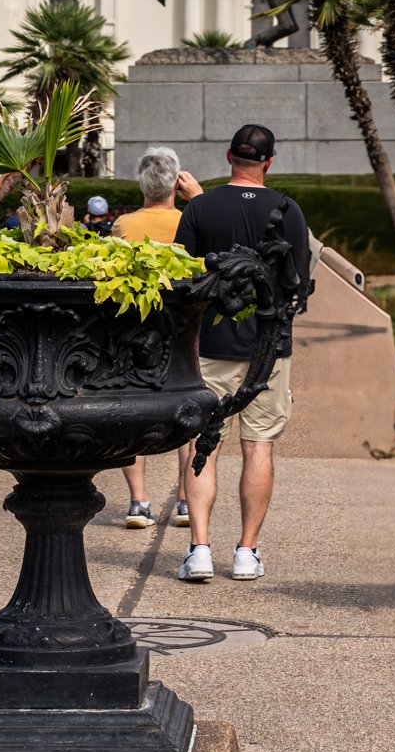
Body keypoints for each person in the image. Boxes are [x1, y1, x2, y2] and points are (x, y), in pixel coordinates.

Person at [173, 123, 310, 584]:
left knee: (203, 446)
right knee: (259, 447)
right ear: (269, 162)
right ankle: (247, 553)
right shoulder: (288, 210)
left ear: (228, 155)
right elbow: (298, 281)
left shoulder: (199, 207)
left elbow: (183, 279)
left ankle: (199, 550)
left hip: (210, 346)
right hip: (269, 348)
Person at [112, 146, 204, 530]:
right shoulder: (189, 221)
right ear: (175, 184)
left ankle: (138, 502)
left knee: (131, 410)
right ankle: (185, 500)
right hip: (184, 330)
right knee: (188, 412)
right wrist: (197, 197)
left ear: (142, 184)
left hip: (133, 330)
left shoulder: (123, 226)